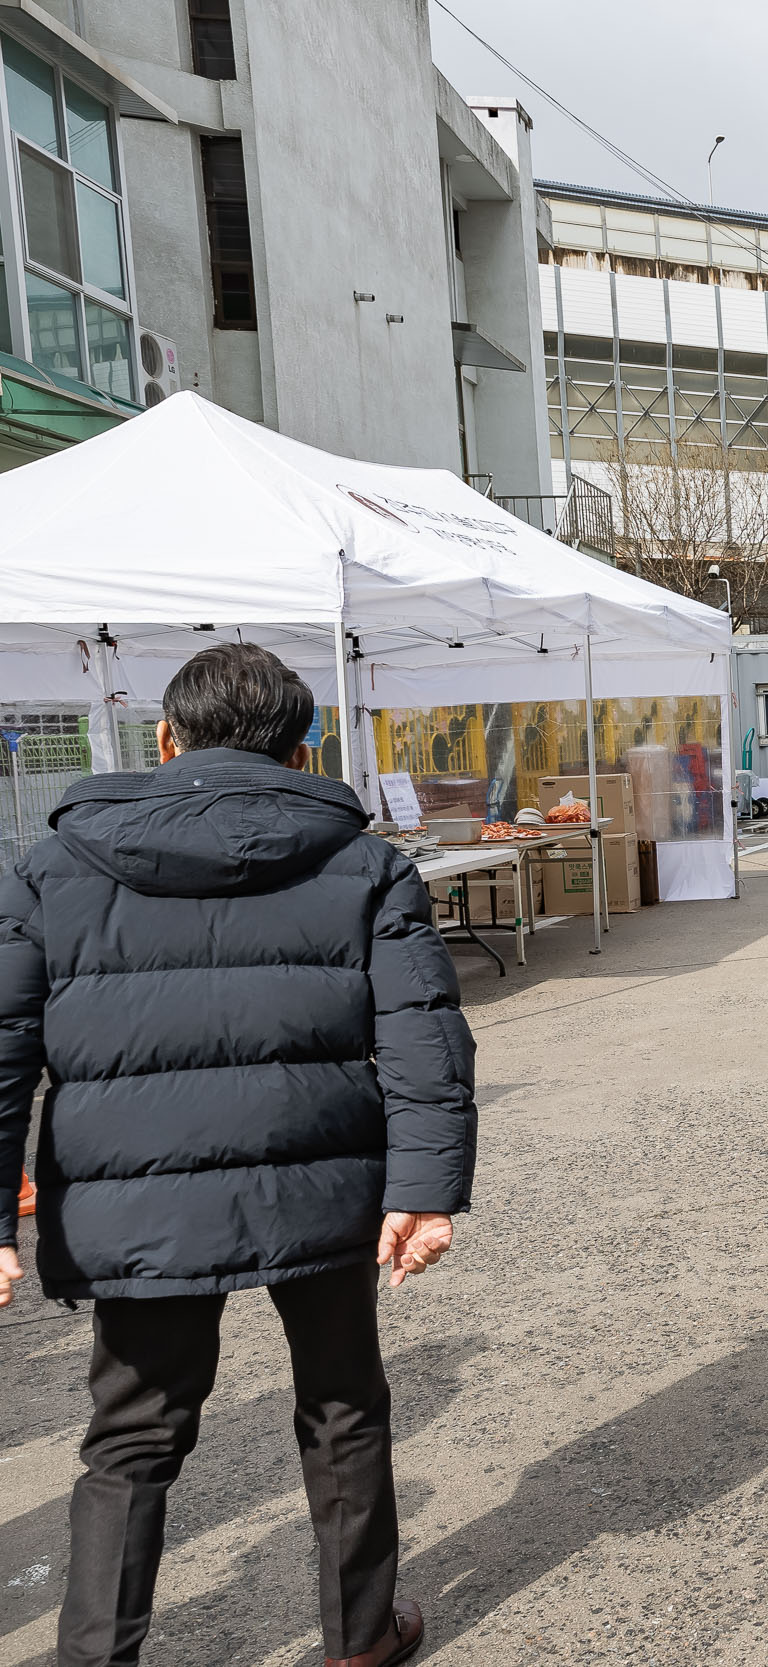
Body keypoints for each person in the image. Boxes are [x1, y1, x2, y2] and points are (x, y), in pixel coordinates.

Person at [0, 642, 477, 1667]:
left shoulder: (53, 864)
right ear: (306, 751)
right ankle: (358, 1639)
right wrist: (427, 1191)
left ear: (165, 739)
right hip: (320, 1178)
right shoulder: (364, 861)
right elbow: (424, 1033)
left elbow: (3, 1045)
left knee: (129, 1439)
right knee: (344, 1404)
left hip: (133, 1198)